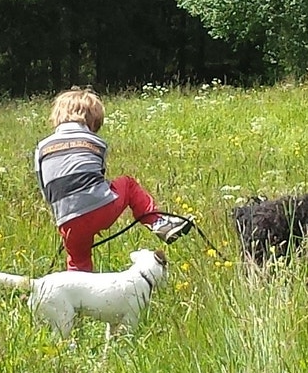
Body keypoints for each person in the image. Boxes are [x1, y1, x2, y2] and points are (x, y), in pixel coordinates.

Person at [33, 86, 191, 271]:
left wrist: (67, 217)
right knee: (129, 184)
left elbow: (46, 191)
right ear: (92, 121)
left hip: (66, 219)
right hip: (99, 207)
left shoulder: (41, 147)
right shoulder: (95, 142)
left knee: (78, 261)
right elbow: (97, 180)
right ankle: (157, 222)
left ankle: (80, 297)